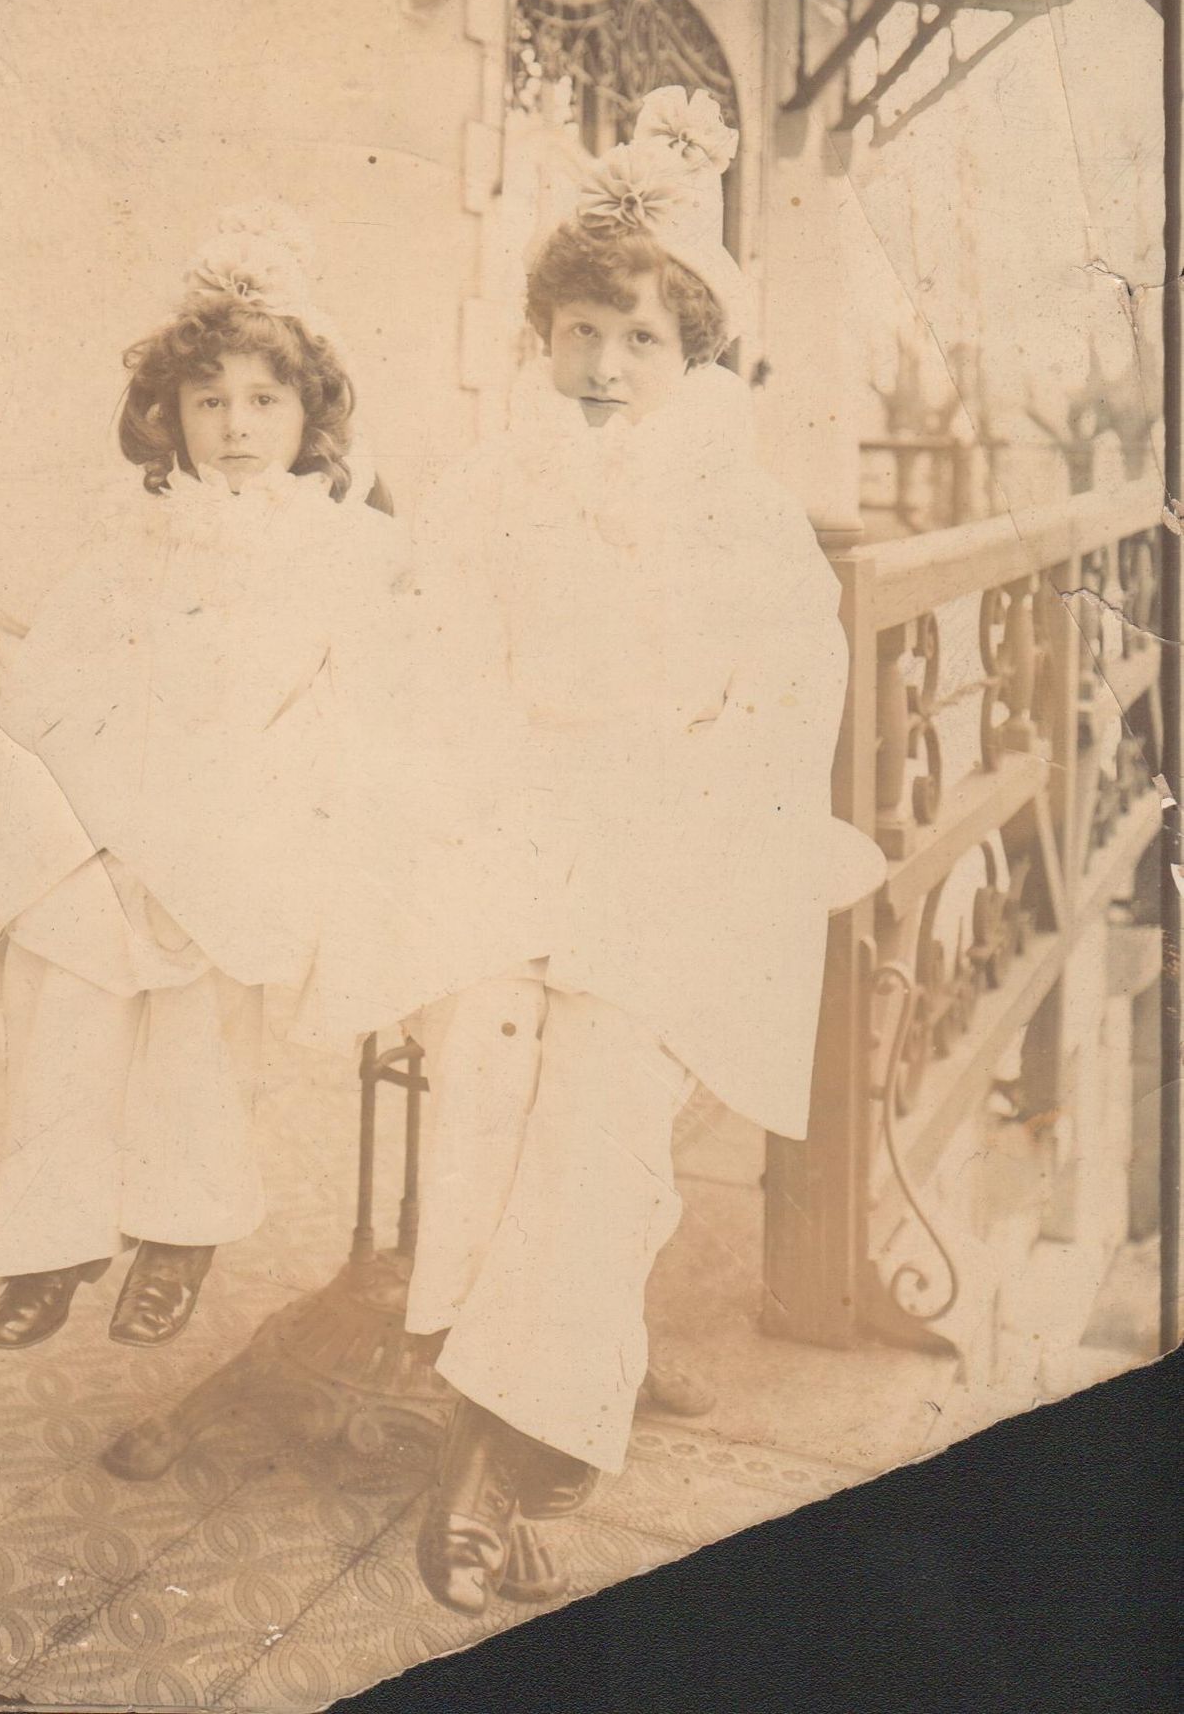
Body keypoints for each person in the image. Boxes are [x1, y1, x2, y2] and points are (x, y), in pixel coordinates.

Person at [399, 88, 886, 1613]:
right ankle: (545, 1402)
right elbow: (436, 678)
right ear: (540, 339)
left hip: (684, 852)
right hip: (514, 837)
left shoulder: (740, 511)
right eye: (581, 334)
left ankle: (487, 1457)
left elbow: (783, 700)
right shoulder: (488, 489)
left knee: (604, 1082)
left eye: (642, 340)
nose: (605, 367)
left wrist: (670, 812)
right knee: (495, 1053)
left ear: (694, 358)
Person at [0, 207, 403, 1354]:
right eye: (209, 401)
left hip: (251, 817)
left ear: (308, 415)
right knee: (67, 989)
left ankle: (178, 1231)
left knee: (197, 1016)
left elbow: (365, 702)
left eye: (263, 400)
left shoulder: (344, 546)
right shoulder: (133, 538)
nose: (235, 426)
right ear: (170, 415)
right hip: (119, 809)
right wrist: (74, 803)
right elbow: (61, 678)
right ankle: (52, 1240)